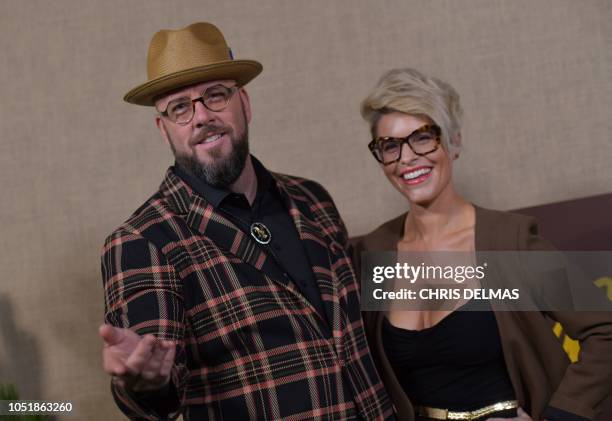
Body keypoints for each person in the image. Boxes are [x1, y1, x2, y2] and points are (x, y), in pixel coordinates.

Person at [99, 22, 393, 420]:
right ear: (163, 129)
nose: (201, 116)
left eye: (215, 96)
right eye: (180, 108)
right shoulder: (142, 241)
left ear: (245, 104)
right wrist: (146, 382)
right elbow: (153, 387)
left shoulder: (313, 199)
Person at [351, 68, 612, 421]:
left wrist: (561, 415)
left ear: (454, 143)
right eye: (390, 146)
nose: (407, 158)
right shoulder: (373, 253)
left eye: (423, 138)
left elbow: (605, 330)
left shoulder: (508, 242)